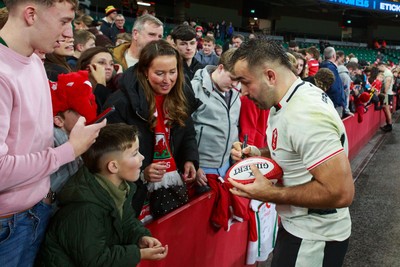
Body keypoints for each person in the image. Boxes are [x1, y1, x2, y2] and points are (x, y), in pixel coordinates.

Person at [228, 39, 354, 267]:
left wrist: (271, 193)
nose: (243, 92)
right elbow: (293, 150)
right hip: (300, 228)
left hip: (314, 237)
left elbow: (341, 192)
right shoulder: (293, 97)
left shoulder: (304, 113)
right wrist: (258, 153)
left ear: (270, 76)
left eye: (245, 82)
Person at [0, 0, 105, 265]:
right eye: (63, 21)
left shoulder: (34, 61)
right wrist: (69, 150)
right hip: (7, 225)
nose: (68, 33)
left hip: (37, 210)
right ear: (31, 14)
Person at [36, 123, 168, 266]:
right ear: (113, 166)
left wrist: (140, 237)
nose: (142, 157)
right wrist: (137, 254)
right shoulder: (84, 209)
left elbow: (126, 222)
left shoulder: (121, 189)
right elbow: (96, 261)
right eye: (135, 153)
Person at [104, 40, 199, 218]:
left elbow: (187, 133)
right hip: (134, 193)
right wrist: (142, 171)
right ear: (145, 72)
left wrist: (189, 159)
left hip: (171, 185)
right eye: (159, 73)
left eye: (172, 72)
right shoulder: (120, 103)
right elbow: (110, 155)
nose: (167, 80)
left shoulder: (182, 95)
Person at [191, 48, 241, 185]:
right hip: (201, 167)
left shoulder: (236, 91)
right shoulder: (195, 89)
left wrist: (235, 151)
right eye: (232, 78)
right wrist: (192, 162)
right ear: (220, 68)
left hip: (226, 166)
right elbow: (181, 131)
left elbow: (233, 125)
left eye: (239, 80)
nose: (235, 84)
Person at [77, 46, 123, 113]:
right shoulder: (77, 90)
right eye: (101, 63)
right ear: (87, 67)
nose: (108, 67)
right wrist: (101, 85)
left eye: (111, 64)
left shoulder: (114, 89)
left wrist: (119, 77)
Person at [320, 46, 346, 118]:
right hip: (334, 104)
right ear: (334, 56)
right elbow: (334, 88)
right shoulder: (331, 68)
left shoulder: (323, 65)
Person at [377, 62, 394, 132]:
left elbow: (387, 83)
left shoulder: (387, 73)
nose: (379, 69)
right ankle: (388, 124)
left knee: (386, 109)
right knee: (386, 108)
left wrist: (385, 93)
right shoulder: (387, 73)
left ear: (382, 66)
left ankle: (389, 125)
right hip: (387, 94)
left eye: (379, 68)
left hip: (387, 94)